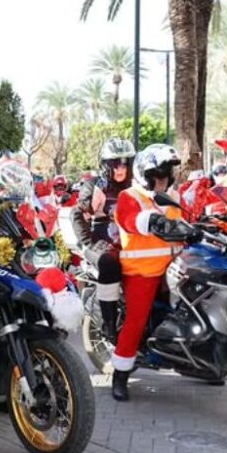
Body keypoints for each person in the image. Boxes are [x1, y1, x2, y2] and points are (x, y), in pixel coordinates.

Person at [112, 144, 186, 401]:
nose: (164, 179)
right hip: (141, 272)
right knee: (137, 320)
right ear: (145, 174)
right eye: (159, 175)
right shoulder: (129, 196)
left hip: (175, 269)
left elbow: (189, 219)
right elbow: (131, 220)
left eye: (167, 174)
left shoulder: (174, 196)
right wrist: (151, 221)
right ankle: (120, 375)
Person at [72, 138, 135, 341]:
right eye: (115, 163)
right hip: (101, 242)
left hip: (131, 243)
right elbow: (78, 215)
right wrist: (88, 243)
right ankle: (109, 326)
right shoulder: (95, 187)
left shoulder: (137, 186)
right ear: (106, 165)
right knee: (109, 262)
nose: (121, 168)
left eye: (125, 162)